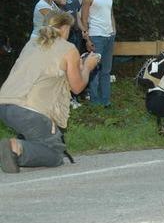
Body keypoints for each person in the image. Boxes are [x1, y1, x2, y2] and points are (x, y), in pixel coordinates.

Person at [0, 11, 100, 173]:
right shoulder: (68, 48)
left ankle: (16, 148)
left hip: (5, 105)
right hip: (30, 109)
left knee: (39, 141)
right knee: (54, 154)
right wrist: (87, 67)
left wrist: (77, 66)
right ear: (65, 28)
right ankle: (15, 147)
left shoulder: (31, 44)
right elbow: (77, 86)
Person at [81, 0, 116, 107]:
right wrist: (87, 38)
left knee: (106, 70)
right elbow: (83, 18)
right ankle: (95, 101)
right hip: (95, 35)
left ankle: (106, 100)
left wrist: (113, 30)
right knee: (94, 69)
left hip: (109, 36)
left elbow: (111, 14)